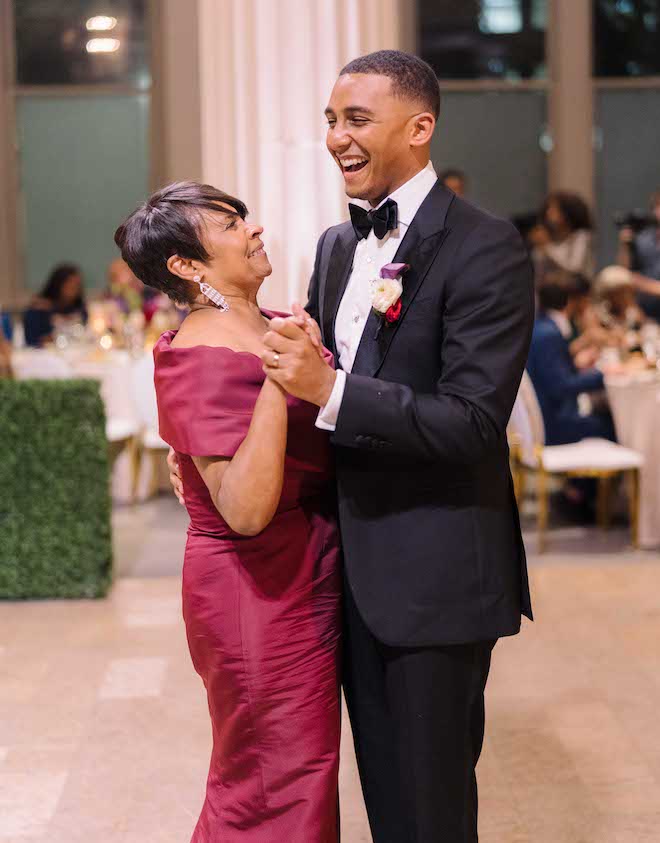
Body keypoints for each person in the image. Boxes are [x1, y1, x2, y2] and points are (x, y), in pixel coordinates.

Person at [257, 50, 534, 842]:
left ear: (420, 128)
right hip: (345, 572)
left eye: (356, 119)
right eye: (331, 121)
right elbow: (324, 395)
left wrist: (331, 389)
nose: (337, 137)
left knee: (430, 811)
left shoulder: (485, 247)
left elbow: (474, 421)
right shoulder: (337, 249)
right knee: (386, 799)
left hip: (435, 572)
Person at [115, 182, 341, 842]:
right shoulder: (198, 354)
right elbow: (241, 509)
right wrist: (281, 376)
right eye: (229, 224)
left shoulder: (267, 320)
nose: (253, 229)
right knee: (272, 777)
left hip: (307, 560)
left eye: (241, 217)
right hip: (251, 587)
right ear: (187, 266)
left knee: (304, 766)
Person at [527, 280, 616, 446]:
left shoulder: (543, 326)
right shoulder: (549, 334)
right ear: (574, 300)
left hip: (549, 417)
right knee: (615, 423)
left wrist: (576, 365)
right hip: (554, 425)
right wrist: (604, 374)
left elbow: (552, 374)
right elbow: (561, 386)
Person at [617, 188, 660, 320]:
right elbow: (623, 272)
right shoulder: (644, 239)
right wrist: (625, 245)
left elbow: (632, 279)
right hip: (642, 312)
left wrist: (638, 282)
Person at [534, 190, 595, 280]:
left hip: (575, 290)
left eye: (553, 209)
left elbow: (575, 268)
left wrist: (547, 247)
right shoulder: (548, 235)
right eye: (548, 209)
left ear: (567, 212)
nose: (548, 213)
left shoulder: (581, 236)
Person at [23, 263, 87, 347]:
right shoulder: (39, 309)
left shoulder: (79, 308)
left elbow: (86, 334)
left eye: (77, 285)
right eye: (70, 284)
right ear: (58, 284)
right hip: (45, 355)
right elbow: (32, 341)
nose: (74, 288)